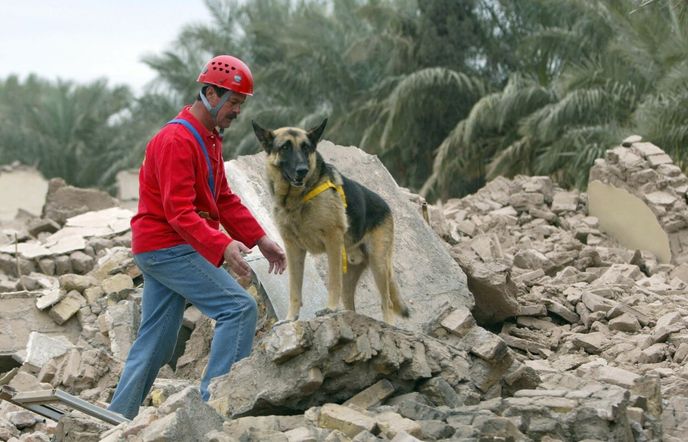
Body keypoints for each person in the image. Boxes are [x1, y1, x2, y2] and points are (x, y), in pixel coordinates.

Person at [108, 55, 286, 419]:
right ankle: (213, 409)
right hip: (167, 247)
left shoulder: (208, 139)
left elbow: (222, 198)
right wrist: (222, 246)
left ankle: (117, 417)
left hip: (163, 247)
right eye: (233, 102)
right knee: (238, 308)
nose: (237, 111)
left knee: (156, 342)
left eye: (240, 103)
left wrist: (259, 239)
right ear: (209, 93)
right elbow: (179, 211)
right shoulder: (177, 139)